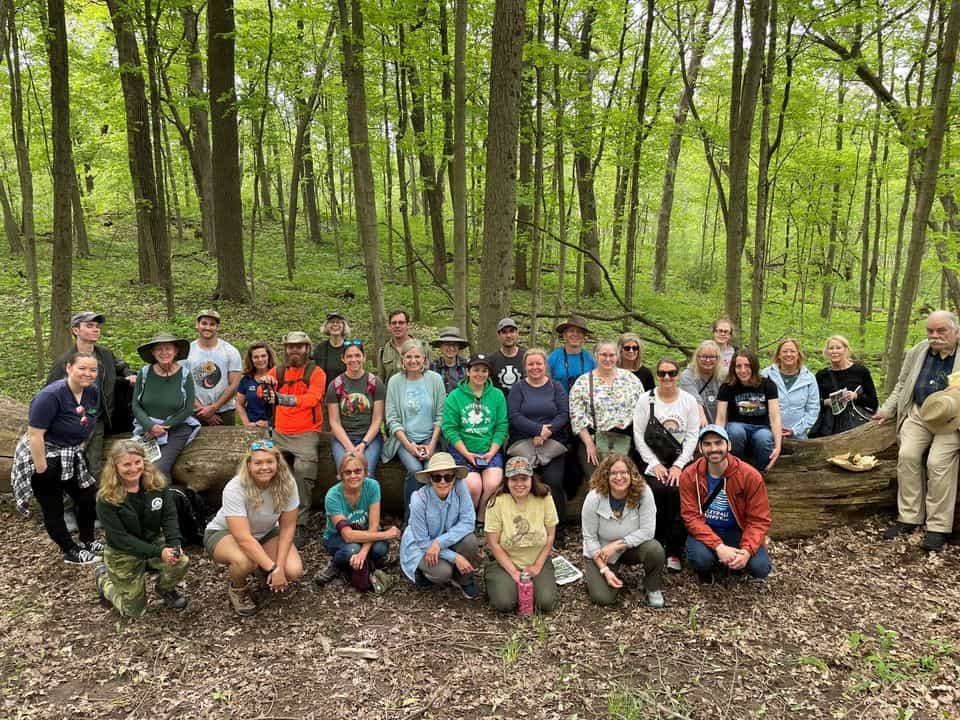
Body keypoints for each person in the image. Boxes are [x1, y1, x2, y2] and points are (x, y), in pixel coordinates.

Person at [873, 310, 960, 552]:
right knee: (907, 455)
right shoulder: (918, 351)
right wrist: (887, 410)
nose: (934, 336)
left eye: (941, 331)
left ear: (956, 331)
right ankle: (909, 518)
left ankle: (938, 527)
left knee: (937, 463)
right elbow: (902, 383)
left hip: (952, 418)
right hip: (920, 413)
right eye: (930, 331)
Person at [11, 351, 103, 564]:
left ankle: (88, 541)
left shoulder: (92, 391)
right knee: (53, 506)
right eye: (82, 368)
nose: (88, 373)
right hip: (43, 452)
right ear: (69, 368)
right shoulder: (50, 396)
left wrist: (80, 444)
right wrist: (42, 469)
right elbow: (35, 434)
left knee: (86, 497)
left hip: (70, 452)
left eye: (93, 370)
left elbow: (89, 417)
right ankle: (70, 550)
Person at [204, 439, 303, 616]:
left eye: (269, 461)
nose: (264, 467)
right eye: (258, 463)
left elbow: (288, 527)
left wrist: (280, 566)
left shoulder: (288, 483)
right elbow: (243, 538)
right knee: (245, 561)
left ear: (277, 463)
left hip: (266, 532)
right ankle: (238, 589)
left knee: (293, 570)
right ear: (249, 465)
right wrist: (273, 569)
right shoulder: (235, 488)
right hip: (225, 533)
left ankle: (263, 569)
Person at [94, 440, 190, 616]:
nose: (133, 468)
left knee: (180, 561)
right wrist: (159, 552)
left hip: (152, 541)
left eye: (137, 462)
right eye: (126, 465)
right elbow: (121, 539)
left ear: (144, 461)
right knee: (133, 612)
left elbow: (169, 517)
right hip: (123, 551)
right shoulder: (106, 498)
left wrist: (174, 544)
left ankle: (165, 589)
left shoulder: (157, 484)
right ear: (115, 466)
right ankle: (103, 579)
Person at [47, 311, 136, 480]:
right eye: (89, 326)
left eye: (97, 326)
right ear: (76, 330)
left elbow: (121, 366)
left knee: (93, 468)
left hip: (98, 419)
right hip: (71, 422)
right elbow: (49, 392)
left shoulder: (105, 354)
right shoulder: (65, 361)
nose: (95, 329)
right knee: (68, 467)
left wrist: (129, 374)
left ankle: (92, 497)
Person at [679, 425, 772, 582]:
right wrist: (718, 546)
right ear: (700, 448)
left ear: (728, 445)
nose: (713, 449)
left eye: (718, 443)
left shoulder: (750, 475)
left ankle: (735, 561)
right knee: (700, 559)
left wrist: (746, 551)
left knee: (761, 568)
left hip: (737, 531)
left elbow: (759, 519)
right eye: (707, 444)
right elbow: (691, 517)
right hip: (706, 529)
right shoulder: (689, 475)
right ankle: (712, 564)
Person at [633, 357, 700, 571]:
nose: (667, 377)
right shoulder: (646, 400)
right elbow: (638, 435)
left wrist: (679, 466)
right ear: (657, 375)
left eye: (672, 373)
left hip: (681, 460)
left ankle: (674, 550)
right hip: (654, 460)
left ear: (678, 375)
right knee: (657, 491)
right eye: (662, 373)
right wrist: (655, 464)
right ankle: (656, 544)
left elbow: (692, 435)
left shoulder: (688, 400)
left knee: (678, 492)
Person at [264, 331, 327, 547]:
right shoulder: (278, 371)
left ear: (307, 349)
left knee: (304, 469)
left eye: (299, 346)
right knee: (265, 467)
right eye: (291, 346)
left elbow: (313, 399)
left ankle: (299, 522)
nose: (294, 350)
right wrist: (265, 387)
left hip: (307, 431)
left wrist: (282, 398)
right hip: (280, 431)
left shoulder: (316, 372)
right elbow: (262, 392)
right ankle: (269, 517)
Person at [580, 453, 665, 608]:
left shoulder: (644, 492)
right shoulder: (593, 498)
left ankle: (652, 587)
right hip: (601, 552)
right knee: (603, 598)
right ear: (606, 475)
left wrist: (616, 545)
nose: (619, 477)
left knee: (655, 549)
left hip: (629, 548)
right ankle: (600, 575)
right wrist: (604, 570)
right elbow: (589, 538)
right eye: (613, 473)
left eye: (623, 472)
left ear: (631, 474)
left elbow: (648, 531)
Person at [507, 348, 569, 543]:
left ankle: (557, 529)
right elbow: (514, 415)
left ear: (545, 366)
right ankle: (522, 527)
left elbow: (564, 413)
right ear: (525, 367)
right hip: (522, 443)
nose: (535, 367)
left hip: (553, 443)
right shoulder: (518, 388)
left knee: (554, 481)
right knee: (522, 480)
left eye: (538, 363)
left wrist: (546, 432)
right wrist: (536, 430)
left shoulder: (556, 387)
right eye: (531, 364)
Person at [316, 452, 401, 593]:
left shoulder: (372, 486)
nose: (353, 476)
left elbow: (373, 525)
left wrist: (363, 552)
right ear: (341, 474)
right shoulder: (333, 495)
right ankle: (337, 565)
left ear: (365, 472)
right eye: (347, 472)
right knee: (352, 549)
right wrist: (386, 534)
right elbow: (348, 536)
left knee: (380, 548)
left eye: (358, 471)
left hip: (366, 532)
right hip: (337, 537)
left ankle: (358, 562)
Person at [399, 453, 481, 599]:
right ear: (430, 479)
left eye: (448, 477)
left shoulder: (460, 486)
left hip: (445, 539)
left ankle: (464, 579)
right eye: (437, 477)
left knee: (470, 541)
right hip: (422, 546)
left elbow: (468, 521)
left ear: (454, 477)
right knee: (443, 573)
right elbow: (422, 542)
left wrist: (439, 542)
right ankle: (421, 572)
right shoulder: (418, 499)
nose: (443, 482)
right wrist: (455, 557)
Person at [484, 456, 558, 613]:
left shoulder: (545, 497)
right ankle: (497, 581)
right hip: (505, 561)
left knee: (545, 603)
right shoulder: (496, 502)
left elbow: (550, 535)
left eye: (524, 479)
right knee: (504, 604)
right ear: (507, 481)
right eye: (514, 479)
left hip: (537, 559)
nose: (519, 484)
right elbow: (494, 543)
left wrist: (537, 566)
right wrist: (513, 572)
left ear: (531, 479)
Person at [441, 353, 509, 523]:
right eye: (476, 370)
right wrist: (466, 454)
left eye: (484, 371)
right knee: (473, 486)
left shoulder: (497, 395)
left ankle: (482, 518)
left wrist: (492, 452)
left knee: (493, 484)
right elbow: (449, 429)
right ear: (468, 371)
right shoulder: (455, 396)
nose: (480, 374)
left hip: (489, 451)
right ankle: (467, 520)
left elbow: (501, 426)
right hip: (463, 451)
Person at [382, 338, 446, 517]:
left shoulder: (435, 380)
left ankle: (433, 516)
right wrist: (409, 446)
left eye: (417, 357)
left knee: (432, 469)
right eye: (409, 357)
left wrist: (431, 445)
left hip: (430, 438)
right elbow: (392, 419)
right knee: (416, 470)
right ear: (402, 359)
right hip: (404, 439)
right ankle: (410, 517)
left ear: (424, 359)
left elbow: (441, 416)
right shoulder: (395, 382)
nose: (413, 361)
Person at [569, 340, 645, 480]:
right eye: (604, 355)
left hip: (626, 441)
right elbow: (577, 417)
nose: (608, 359)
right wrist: (589, 444)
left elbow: (642, 411)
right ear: (596, 356)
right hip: (594, 441)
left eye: (612, 355)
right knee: (599, 481)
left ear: (617, 356)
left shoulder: (631, 380)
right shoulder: (583, 382)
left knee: (626, 481)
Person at [131, 332, 200, 483]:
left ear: (175, 351)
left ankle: (165, 497)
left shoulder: (185, 375)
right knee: (134, 465)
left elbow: (188, 409)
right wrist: (150, 426)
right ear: (153, 352)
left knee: (159, 468)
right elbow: (136, 405)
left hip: (176, 429)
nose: (164, 352)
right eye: (159, 349)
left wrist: (163, 427)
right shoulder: (145, 373)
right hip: (146, 429)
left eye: (168, 348)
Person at [325, 341, 386, 475]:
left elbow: (377, 419)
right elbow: (334, 422)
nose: (354, 359)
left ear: (364, 357)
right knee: (346, 472)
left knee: (366, 472)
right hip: (343, 438)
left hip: (370, 438)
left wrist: (364, 443)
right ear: (343, 359)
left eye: (357, 355)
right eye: (349, 356)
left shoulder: (375, 383)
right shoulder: (335, 385)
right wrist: (350, 448)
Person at [716, 350, 782, 471]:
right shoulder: (727, 387)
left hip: (761, 428)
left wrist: (778, 446)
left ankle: (760, 472)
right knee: (736, 432)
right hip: (737, 426)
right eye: (738, 366)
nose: (743, 370)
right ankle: (734, 469)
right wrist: (718, 442)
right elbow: (720, 419)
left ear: (754, 366)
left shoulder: (768, 385)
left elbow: (775, 417)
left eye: (747, 366)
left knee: (763, 438)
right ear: (733, 368)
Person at [812, 335, 878, 436]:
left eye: (838, 348)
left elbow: (873, 402)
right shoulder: (822, 375)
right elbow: (812, 403)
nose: (834, 351)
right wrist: (826, 402)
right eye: (831, 348)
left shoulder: (860, 371)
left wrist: (855, 396)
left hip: (855, 426)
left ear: (846, 350)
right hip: (829, 427)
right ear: (827, 352)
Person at [187, 309, 242, 427]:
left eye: (212, 324)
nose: (208, 327)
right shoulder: (187, 352)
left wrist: (214, 408)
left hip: (224, 412)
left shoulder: (230, 351)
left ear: (217, 327)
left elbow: (235, 385)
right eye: (204, 323)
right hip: (194, 411)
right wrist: (201, 410)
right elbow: (182, 384)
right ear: (197, 325)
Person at [761, 338, 820, 439]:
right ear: (778, 355)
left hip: (798, 435)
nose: (788, 354)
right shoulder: (767, 375)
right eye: (784, 351)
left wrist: (795, 430)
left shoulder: (809, 378)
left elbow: (813, 409)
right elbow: (759, 404)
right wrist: (772, 426)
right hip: (768, 433)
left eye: (792, 351)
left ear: (798, 355)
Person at [679, 340, 724, 426]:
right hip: (696, 422)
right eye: (703, 356)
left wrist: (718, 429)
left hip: (721, 422)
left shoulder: (724, 375)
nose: (708, 360)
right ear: (697, 357)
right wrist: (702, 420)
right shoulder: (687, 375)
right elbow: (695, 401)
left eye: (712, 357)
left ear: (718, 358)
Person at [547, 314, 596, 392]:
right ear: (564, 335)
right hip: (558, 399)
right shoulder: (552, 358)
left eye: (579, 332)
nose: (575, 334)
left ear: (584, 336)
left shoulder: (591, 359)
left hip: (584, 399)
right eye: (571, 331)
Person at [236, 342, 277, 429]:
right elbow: (239, 404)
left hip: (276, 427)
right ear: (251, 359)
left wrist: (271, 423)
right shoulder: (246, 379)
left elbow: (286, 406)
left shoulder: (278, 377)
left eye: (263, 356)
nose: (260, 359)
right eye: (256, 357)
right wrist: (247, 424)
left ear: (269, 357)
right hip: (253, 426)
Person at [311, 311, 349, 389]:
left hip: (346, 391)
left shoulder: (350, 347)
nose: (335, 324)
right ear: (326, 326)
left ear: (343, 326)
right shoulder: (320, 348)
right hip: (324, 392)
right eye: (331, 322)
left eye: (338, 322)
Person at [488, 317, 526, 395]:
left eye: (512, 331)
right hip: (499, 402)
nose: (508, 335)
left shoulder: (527, 358)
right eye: (504, 332)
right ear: (499, 335)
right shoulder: (491, 360)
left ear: (517, 333)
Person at [378, 309, 414, 383]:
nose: (397, 326)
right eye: (394, 323)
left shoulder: (422, 348)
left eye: (401, 323)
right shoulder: (383, 351)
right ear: (390, 326)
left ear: (408, 325)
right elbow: (381, 382)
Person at [430, 327, 470, 394]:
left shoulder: (467, 366)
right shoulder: (432, 367)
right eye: (447, 344)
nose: (451, 348)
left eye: (454, 344)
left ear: (459, 347)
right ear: (440, 346)